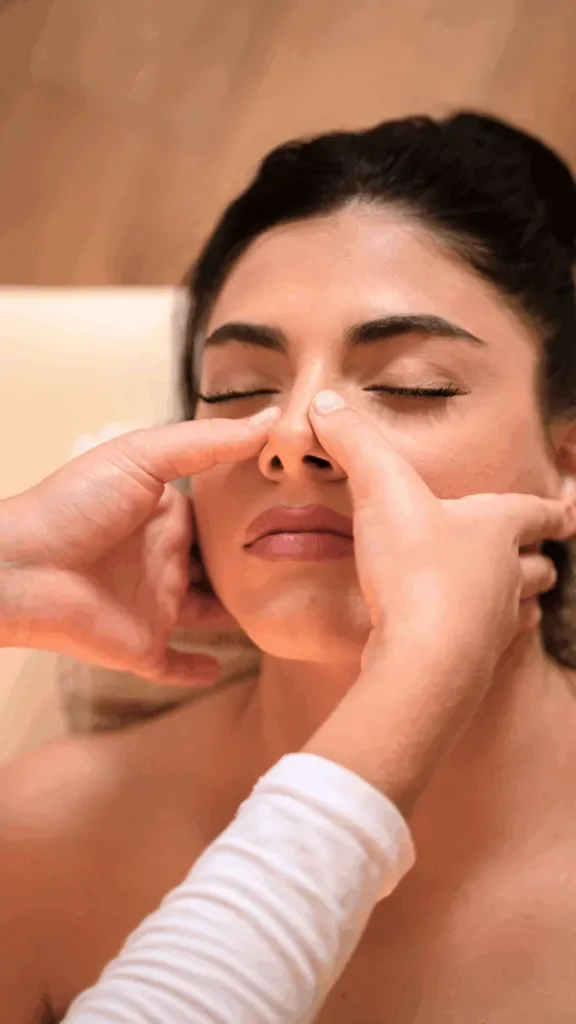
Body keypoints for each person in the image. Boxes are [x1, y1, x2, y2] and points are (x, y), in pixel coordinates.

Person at [1, 108, 576, 1023]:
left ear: (568, 460)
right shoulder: (34, 839)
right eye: (239, 392)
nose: (294, 437)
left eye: (410, 386)